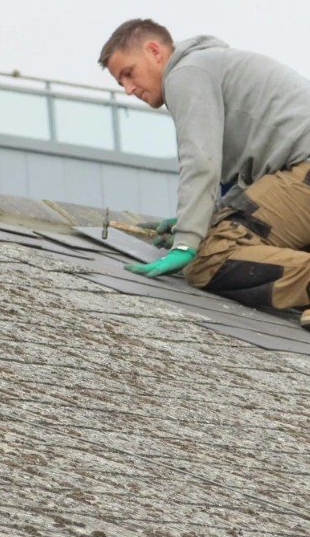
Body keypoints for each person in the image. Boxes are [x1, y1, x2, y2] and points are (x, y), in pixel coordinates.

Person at [98, 19, 310, 329]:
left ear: (154, 51)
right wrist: (204, 218)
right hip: (299, 175)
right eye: (121, 84)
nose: (129, 90)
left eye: (129, 74)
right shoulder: (213, 66)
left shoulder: (186, 74)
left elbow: (200, 161)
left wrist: (187, 241)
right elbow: (251, 188)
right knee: (229, 238)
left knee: (210, 257)